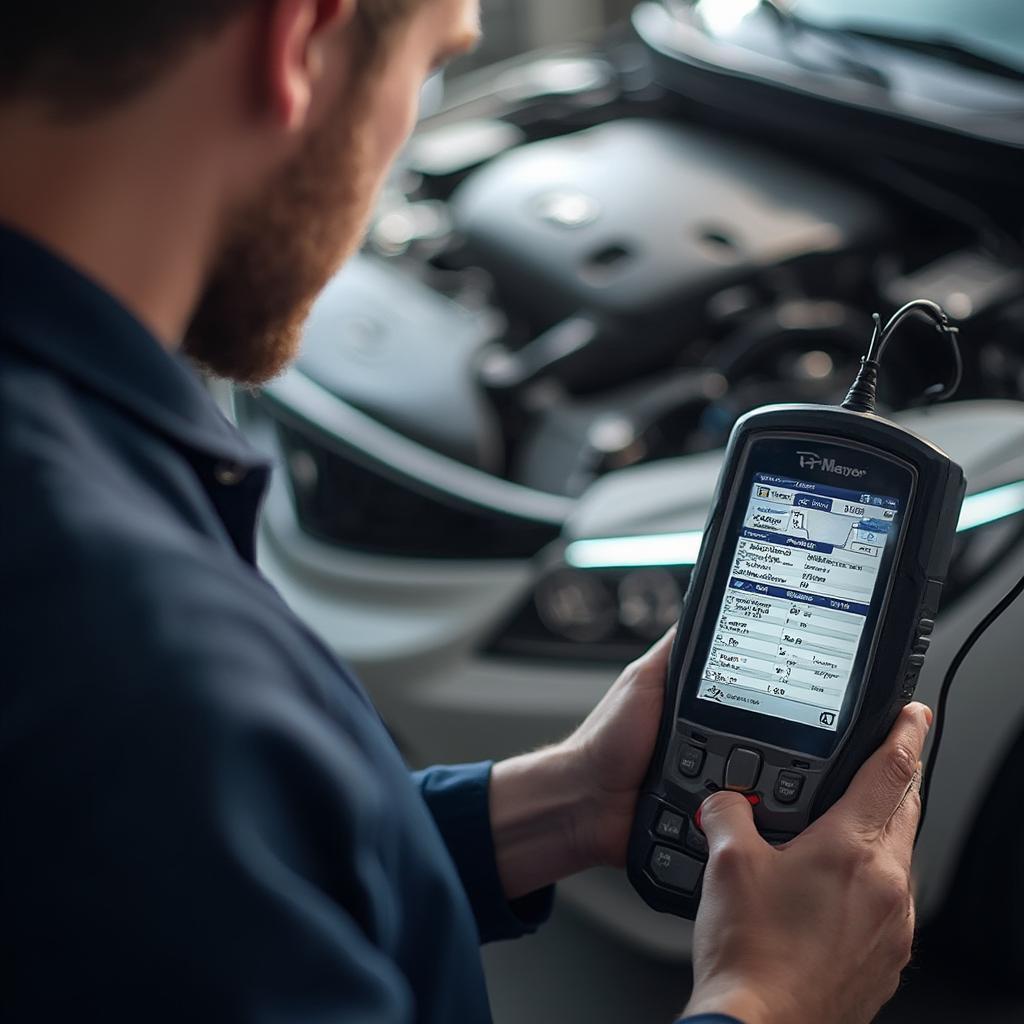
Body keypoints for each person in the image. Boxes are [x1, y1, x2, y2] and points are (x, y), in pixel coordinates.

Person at [0, 2, 930, 1021]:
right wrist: (773, 1001)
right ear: (299, 37)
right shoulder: (134, 657)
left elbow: (181, 876)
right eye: (432, 67)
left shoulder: (77, 496)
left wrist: (562, 806)